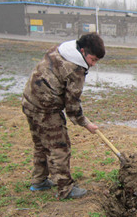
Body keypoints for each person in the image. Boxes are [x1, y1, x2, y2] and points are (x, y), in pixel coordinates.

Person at [22, 32, 105, 200]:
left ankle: (39, 182)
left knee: (41, 144)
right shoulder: (76, 69)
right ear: (83, 51)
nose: (93, 64)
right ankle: (65, 189)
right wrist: (86, 123)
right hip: (46, 109)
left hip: (29, 101)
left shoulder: (59, 50)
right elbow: (72, 106)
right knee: (59, 147)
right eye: (93, 59)